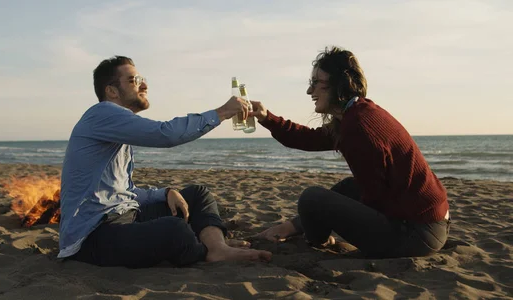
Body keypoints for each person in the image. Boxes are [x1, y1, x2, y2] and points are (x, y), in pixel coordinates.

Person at [58, 55, 272, 268]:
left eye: (142, 79)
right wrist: (223, 112)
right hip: (93, 236)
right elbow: (165, 134)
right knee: (174, 230)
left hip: (126, 215)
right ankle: (203, 248)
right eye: (134, 80)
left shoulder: (116, 126)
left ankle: (218, 248)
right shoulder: (102, 113)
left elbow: (121, 190)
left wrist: (165, 192)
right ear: (112, 91)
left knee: (198, 195)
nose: (144, 85)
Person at [251, 46, 450, 258]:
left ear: (338, 83)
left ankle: (317, 240)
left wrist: (328, 217)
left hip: (415, 235)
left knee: (312, 198)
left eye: (316, 83)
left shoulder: (358, 127)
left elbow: (375, 198)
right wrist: (265, 117)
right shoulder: (357, 113)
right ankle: (296, 229)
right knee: (348, 187)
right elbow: (308, 139)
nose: (310, 91)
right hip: (431, 225)